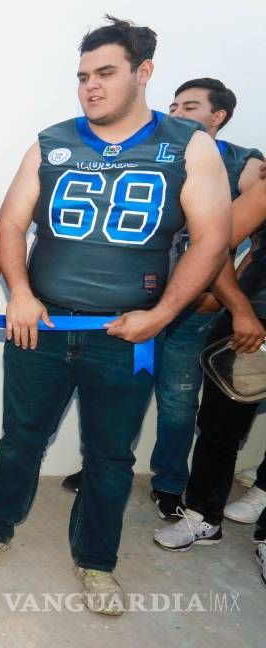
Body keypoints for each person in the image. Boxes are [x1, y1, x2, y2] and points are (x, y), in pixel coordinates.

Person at [0, 17, 230, 616]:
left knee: (110, 457)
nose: (91, 86)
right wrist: (22, 295)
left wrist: (159, 316)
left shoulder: (188, 145)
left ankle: (97, 561)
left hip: (124, 333)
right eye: (83, 76)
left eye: (105, 73)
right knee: (20, 439)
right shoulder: (53, 140)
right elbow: (9, 224)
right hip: (45, 324)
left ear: (143, 73)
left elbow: (213, 240)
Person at [61, 78, 264, 521]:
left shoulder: (242, 163)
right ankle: (100, 467)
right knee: (120, 392)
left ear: (218, 117)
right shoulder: (156, 150)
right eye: (172, 104)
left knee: (177, 400)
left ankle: (169, 483)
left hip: (189, 313)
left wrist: (232, 297)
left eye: (189, 106)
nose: (175, 112)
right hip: (136, 302)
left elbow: (230, 241)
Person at [153, 144, 266, 589]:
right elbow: (215, 246)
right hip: (251, 330)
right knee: (220, 428)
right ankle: (202, 517)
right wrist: (240, 309)